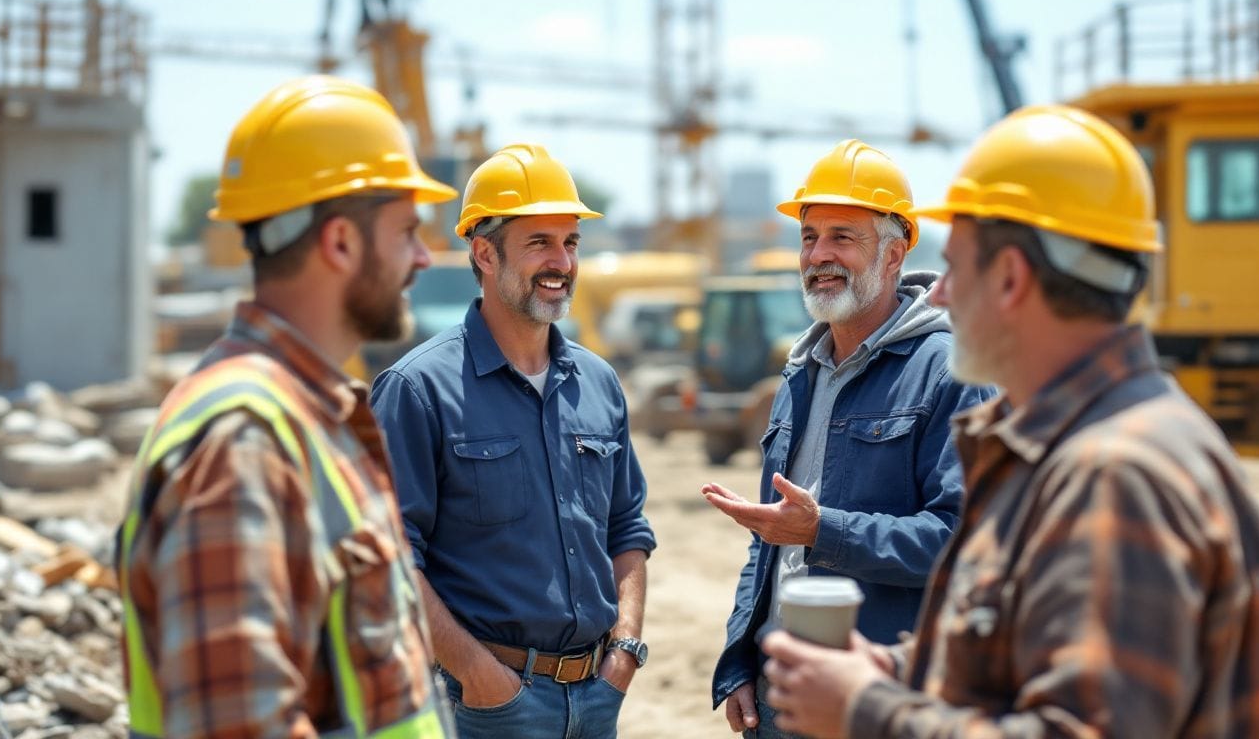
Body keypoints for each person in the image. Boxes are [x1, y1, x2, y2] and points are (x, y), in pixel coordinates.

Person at [759, 105, 1259, 739]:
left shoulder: (1117, 474)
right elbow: (1022, 645)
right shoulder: (1073, 446)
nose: (942, 295)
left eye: (955, 266)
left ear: (1009, 277)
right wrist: (903, 667)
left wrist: (867, 709)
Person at [116, 75, 460, 737]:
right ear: (339, 243)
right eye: (407, 231)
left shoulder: (304, 417)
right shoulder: (243, 443)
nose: (422, 256)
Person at [704, 140, 993, 738]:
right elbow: (770, 540)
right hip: (780, 692)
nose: (819, 254)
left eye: (842, 236)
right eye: (809, 236)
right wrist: (740, 658)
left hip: (877, 698)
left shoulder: (950, 373)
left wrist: (822, 530)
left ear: (895, 253)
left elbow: (961, 546)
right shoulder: (799, 374)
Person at [371, 143, 656, 738]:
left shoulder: (600, 383)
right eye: (539, 243)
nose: (562, 262)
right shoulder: (417, 390)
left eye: (571, 242)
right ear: (484, 252)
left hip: (598, 697)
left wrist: (625, 650)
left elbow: (626, 528)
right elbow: (391, 561)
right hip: (483, 705)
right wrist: (479, 675)